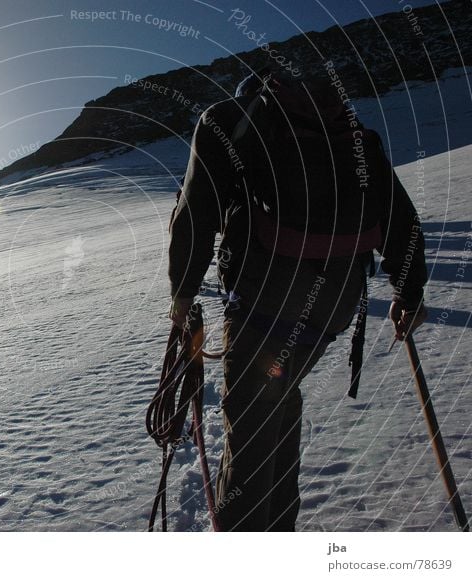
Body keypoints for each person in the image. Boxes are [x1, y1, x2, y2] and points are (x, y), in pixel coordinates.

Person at [166, 69, 428, 531]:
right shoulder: (347, 136)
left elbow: (195, 212)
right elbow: (399, 218)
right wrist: (409, 295)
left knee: (249, 437)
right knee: (277, 403)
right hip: (335, 305)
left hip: (266, 303)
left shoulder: (227, 122)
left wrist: (183, 296)